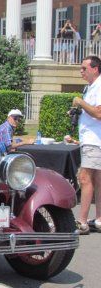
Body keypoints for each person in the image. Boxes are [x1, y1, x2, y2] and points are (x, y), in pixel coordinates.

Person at [71, 55, 101, 235]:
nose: (81, 71)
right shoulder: (91, 87)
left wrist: (81, 102)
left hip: (94, 140)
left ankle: (81, 221)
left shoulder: (99, 86)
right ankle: (98, 219)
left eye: (84, 68)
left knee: (84, 178)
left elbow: (98, 112)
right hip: (92, 140)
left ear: (95, 69)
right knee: (97, 181)